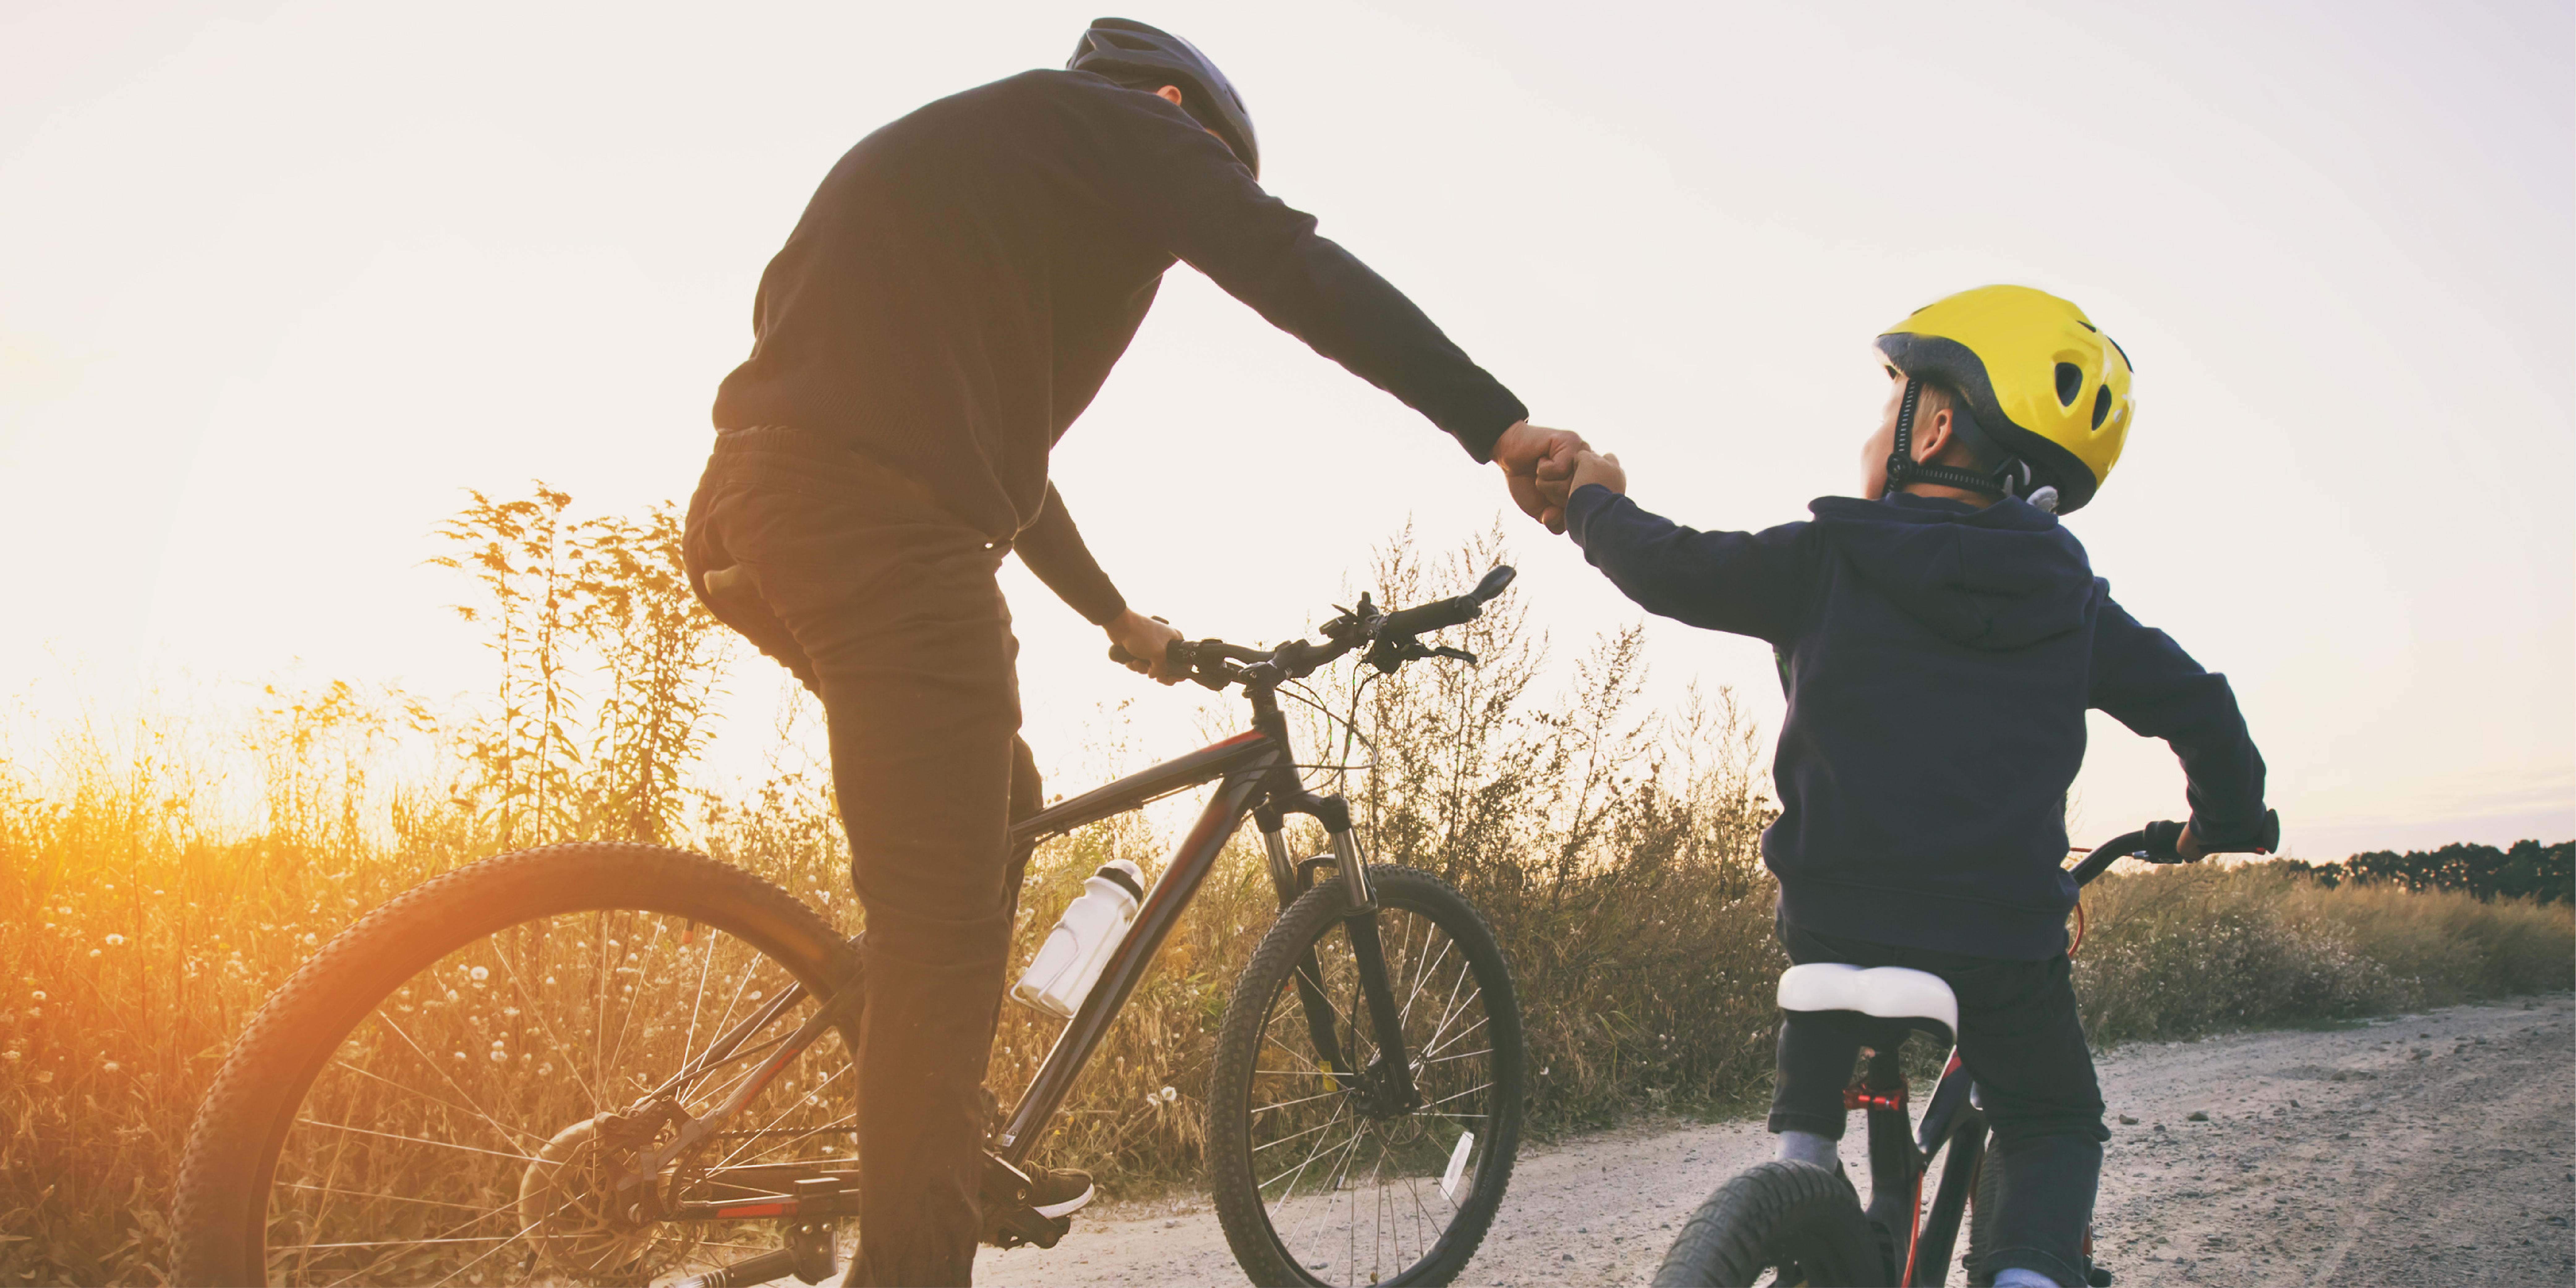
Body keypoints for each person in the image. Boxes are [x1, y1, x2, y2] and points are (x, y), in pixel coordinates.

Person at [679, 18, 1583, 1287]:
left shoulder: (971, 158)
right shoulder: (1128, 127)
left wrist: (1114, 618)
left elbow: (1009, 469)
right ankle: (916, 1234)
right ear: (1178, 115)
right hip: (886, 537)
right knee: (942, 926)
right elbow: (1293, 270)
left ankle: (924, 1116)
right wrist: (1495, 424)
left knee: (995, 807)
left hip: (747, 512)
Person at [1555, 285, 2273, 1288]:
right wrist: (2223, 818)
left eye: (1890, 402)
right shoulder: (2066, 596)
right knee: (2054, 1116)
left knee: (1824, 974)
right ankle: (2023, 1273)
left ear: (1933, 430)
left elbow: (1668, 565)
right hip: (1997, 943)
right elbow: (2198, 704)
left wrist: (1592, 499)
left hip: (1829, 920)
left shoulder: (1825, 555)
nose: (1877, 424)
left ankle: (1795, 1177)